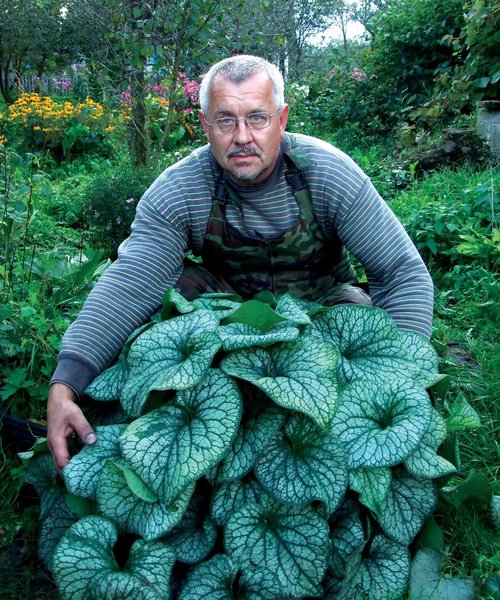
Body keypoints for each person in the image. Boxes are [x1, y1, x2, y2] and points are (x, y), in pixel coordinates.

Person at [47, 54, 434, 471]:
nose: (242, 136)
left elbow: (401, 273)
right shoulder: (181, 189)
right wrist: (66, 382)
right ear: (205, 126)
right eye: (226, 120)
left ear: (282, 120)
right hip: (230, 321)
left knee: (362, 315)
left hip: (323, 309)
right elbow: (131, 283)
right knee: (168, 289)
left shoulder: (328, 174)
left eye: (257, 118)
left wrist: (403, 379)